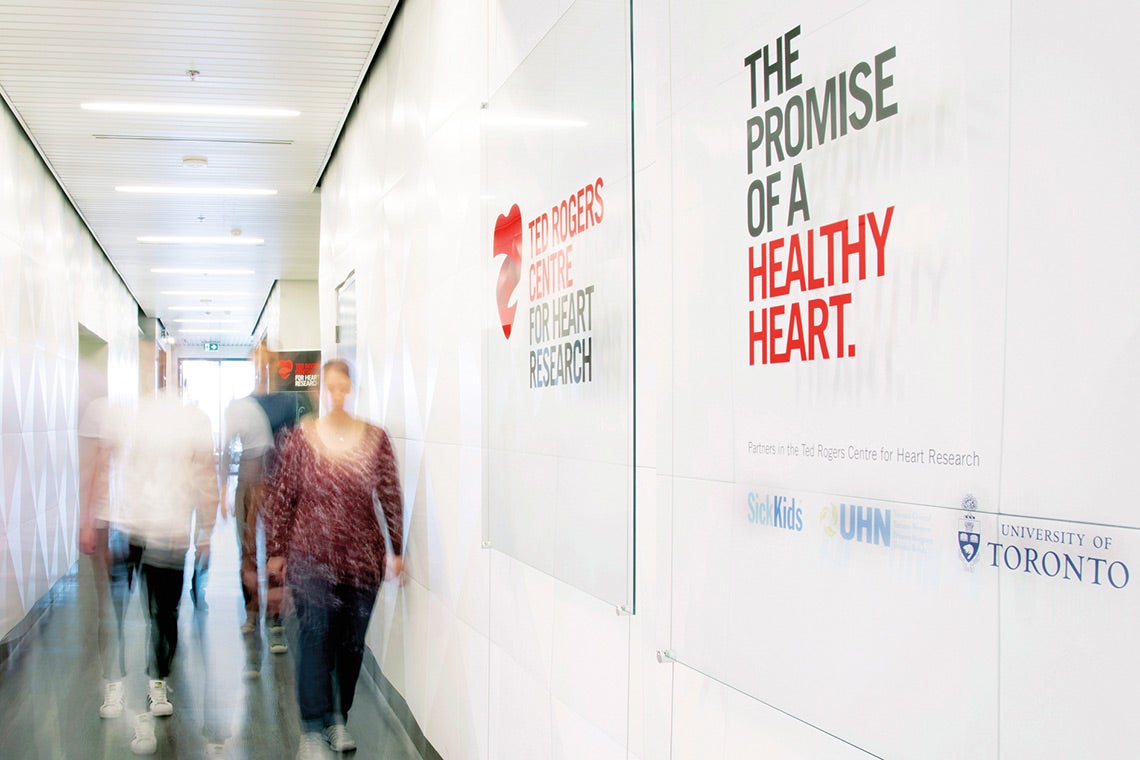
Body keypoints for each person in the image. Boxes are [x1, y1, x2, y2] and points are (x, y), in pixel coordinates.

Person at [264, 359, 404, 759]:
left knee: (351, 645)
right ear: (321, 391)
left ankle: (337, 719)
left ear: (351, 389)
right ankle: (311, 729)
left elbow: (390, 494)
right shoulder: (299, 439)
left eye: (344, 387)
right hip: (310, 557)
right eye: (331, 387)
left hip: (361, 560)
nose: (337, 394)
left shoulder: (375, 439)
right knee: (314, 637)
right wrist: (276, 550)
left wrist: (396, 548)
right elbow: (282, 496)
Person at [115, 390, 219, 755]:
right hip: (140, 532)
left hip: (173, 534)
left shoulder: (193, 426)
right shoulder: (140, 426)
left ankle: (158, 678)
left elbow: (206, 475)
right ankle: (152, 677)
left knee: (165, 612)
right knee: (150, 610)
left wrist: (205, 530)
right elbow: (128, 473)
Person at [220, 367, 298, 660]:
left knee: (276, 552)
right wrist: (224, 489)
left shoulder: (286, 403)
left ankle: (275, 621)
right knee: (248, 553)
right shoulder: (244, 405)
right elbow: (228, 449)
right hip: (248, 487)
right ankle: (252, 611)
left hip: (277, 488)